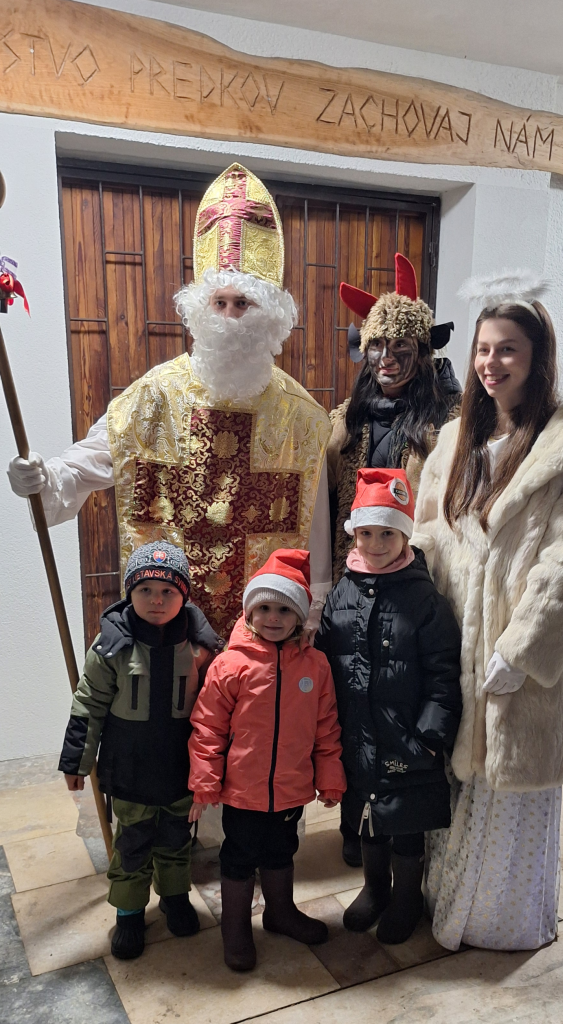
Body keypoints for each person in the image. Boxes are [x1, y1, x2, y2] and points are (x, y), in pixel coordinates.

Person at [7, 163, 331, 636]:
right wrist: (45, 478)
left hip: (261, 638)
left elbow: (314, 530)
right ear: (201, 309)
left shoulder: (301, 418)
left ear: (270, 315)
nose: (229, 318)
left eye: (243, 304)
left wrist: (313, 617)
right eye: (219, 303)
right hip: (170, 632)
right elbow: (95, 458)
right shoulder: (156, 395)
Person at [412, 271, 563, 951]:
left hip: (512, 652)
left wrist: (521, 652)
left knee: (509, 785)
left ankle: (501, 922)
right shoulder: (454, 441)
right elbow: (427, 534)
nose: (491, 363)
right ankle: (446, 903)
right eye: (483, 349)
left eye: (508, 349)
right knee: (455, 783)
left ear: (538, 357)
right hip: (452, 643)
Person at [328, 254, 461, 867]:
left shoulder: (448, 422)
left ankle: (404, 835)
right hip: (355, 575)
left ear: (423, 353)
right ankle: (356, 827)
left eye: (400, 348)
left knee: (400, 698)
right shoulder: (346, 419)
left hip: (414, 581)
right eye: (375, 347)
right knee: (353, 700)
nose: (385, 360)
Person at [315, 468, 462, 944]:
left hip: (407, 738)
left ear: (404, 536)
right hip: (358, 734)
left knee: (406, 825)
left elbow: (443, 673)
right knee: (367, 820)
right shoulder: (344, 590)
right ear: (354, 534)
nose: (375, 544)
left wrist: (429, 736)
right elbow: (325, 658)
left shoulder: (424, 598)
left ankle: (406, 898)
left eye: (387, 534)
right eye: (366, 534)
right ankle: (375, 889)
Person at [58, 541, 223, 960]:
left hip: (180, 765)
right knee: (132, 843)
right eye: (145, 589)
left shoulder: (202, 647)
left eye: (168, 591)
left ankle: (174, 896)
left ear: (184, 595)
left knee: (176, 838)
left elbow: (218, 707)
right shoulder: (111, 646)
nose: (156, 600)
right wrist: (76, 760)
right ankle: (129, 912)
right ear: (129, 592)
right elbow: (89, 704)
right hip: (129, 766)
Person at [188, 548, 346, 971]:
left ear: (299, 616)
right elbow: (207, 728)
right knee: (239, 855)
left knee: (281, 850)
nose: (273, 618)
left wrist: (330, 777)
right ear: (250, 612)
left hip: (291, 788)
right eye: (264, 609)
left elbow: (326, 727)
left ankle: (280, 912)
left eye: (284, 609)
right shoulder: (229, 665)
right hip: (242, 791)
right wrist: (205, 782)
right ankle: (235, 927)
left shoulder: (315, 666)